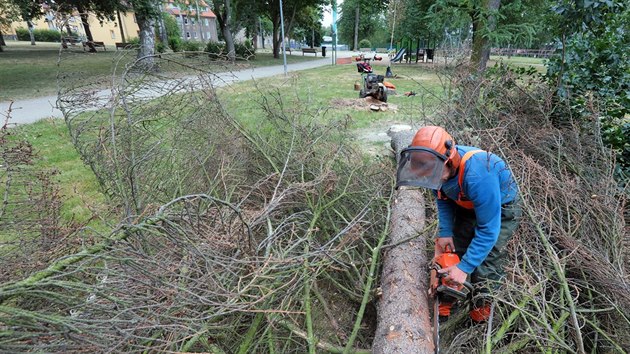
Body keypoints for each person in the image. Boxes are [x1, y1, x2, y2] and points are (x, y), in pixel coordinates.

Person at [397, 126, 521, 322]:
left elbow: (488, 230)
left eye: (435, 173)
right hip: (465, 201)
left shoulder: (479, 175)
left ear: (449, 159)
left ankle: (480, 314)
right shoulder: (434, 167)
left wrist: (465, 268)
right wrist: (445, 231)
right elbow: (442, 196)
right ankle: (446, 304)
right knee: (454, 251)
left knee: (487, 260)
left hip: (500, 207)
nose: (432, 178)